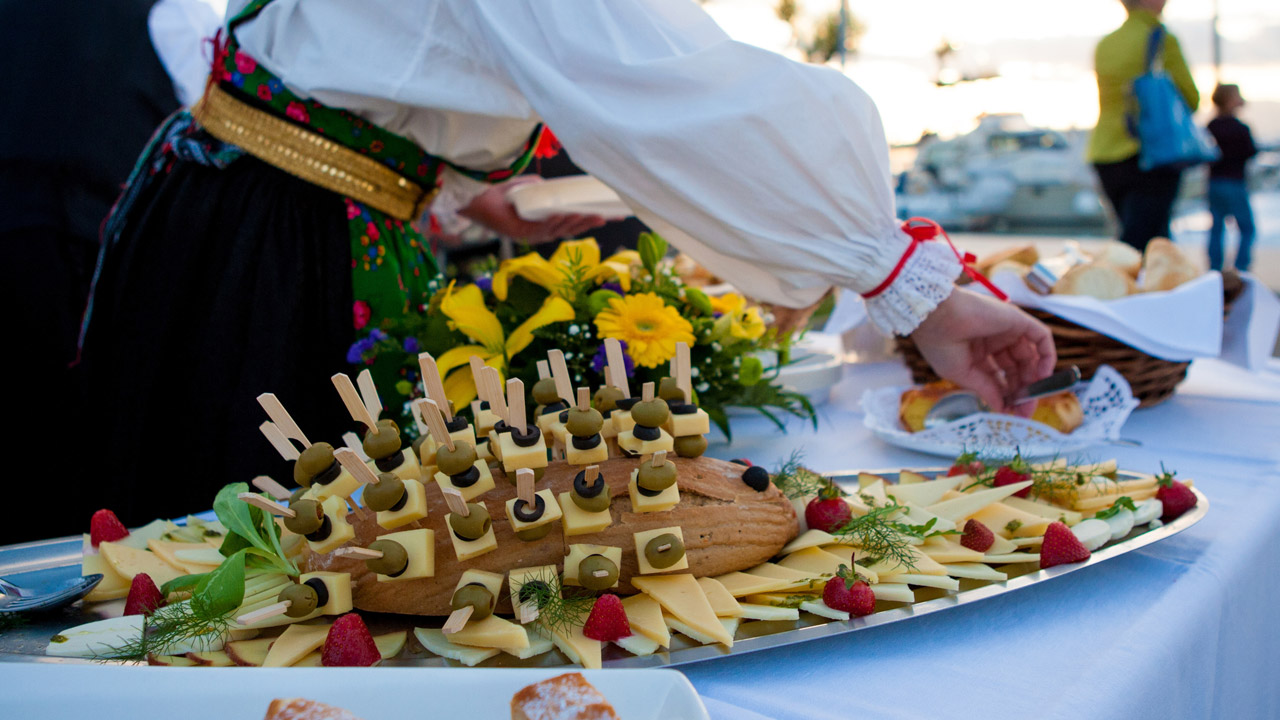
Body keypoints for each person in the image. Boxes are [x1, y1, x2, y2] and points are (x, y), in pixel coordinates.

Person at [79, 0, 1054, 528]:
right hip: (270, 240)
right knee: (243, 561)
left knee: (290, 545)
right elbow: (679, 96)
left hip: (267, 207)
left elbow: (405, 57)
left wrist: (463, 189)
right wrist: (906, 283)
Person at [1088, 0, 1199, 251]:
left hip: (1105, 152)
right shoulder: (1160, 38)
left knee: (1134, 236)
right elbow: (1190, 98)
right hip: (1150, 154)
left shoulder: (1106, 43)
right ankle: (1121, 286)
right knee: (1148, 245)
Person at [1205, 84, 1258, 272]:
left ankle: (1214, 269)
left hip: (1215, 183)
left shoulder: (1211, 126)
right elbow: (1251, 152)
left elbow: (1205, 153)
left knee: (1217, 228)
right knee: (1247, 228)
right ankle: (1240, 269)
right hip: (1235, 182)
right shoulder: (1241, 128)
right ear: (1230, 100)